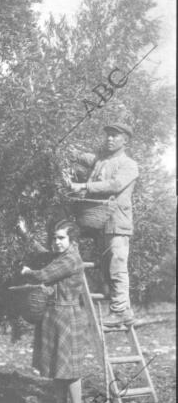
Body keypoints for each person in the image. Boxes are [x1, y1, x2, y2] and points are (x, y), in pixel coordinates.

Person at [69, 122, 138, 326]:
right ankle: (124, 310)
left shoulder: (129, 164)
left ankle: (119, 311)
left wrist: (84, 185)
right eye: (107, 135)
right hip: (101, 223)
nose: (109, 138)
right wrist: (70, 151)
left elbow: (115, 184)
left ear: (125, 140)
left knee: (117, 265)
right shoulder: (101, 161)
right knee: (107, 268)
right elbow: (88, 158)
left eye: (114, 136)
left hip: (118, 222)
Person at [21, 219, 88, 403]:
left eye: (61, 238)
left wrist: (26, 272)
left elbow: (44, 274)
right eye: (55, 237)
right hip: (54, 315)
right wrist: (25, 233)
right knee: (56, 365)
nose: (57, 241)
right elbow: (47, 262)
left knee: (70, 367)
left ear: (72, 239)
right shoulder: (62, 256)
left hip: (68, 316)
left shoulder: (70, 259)